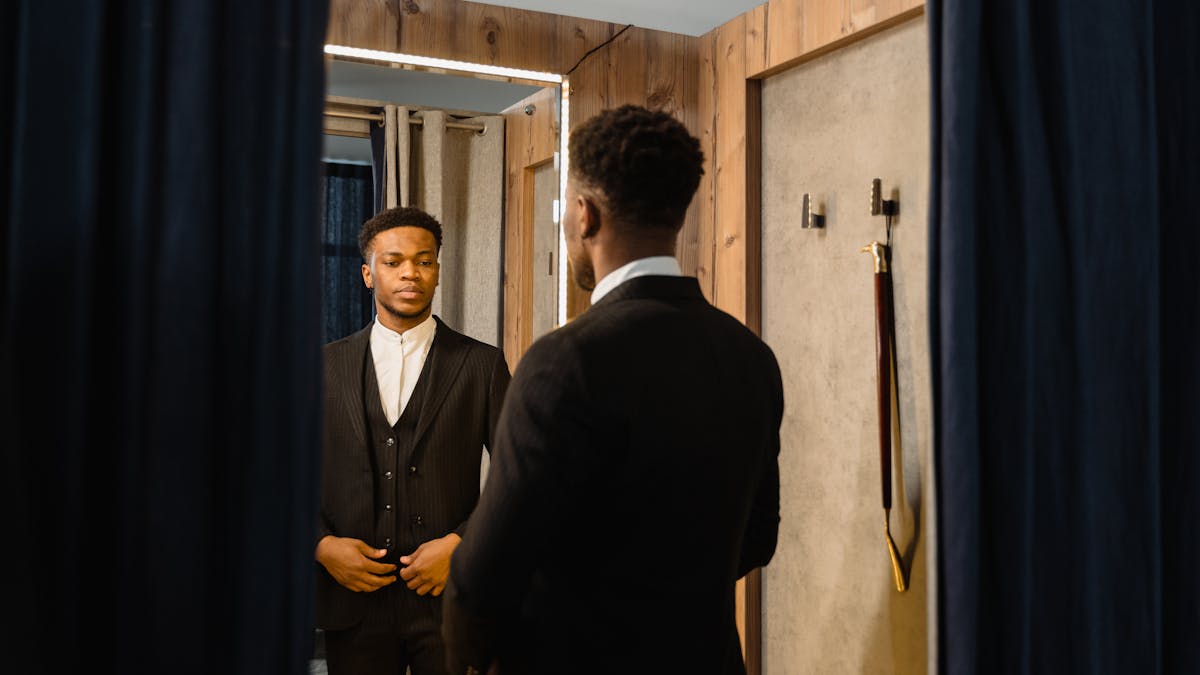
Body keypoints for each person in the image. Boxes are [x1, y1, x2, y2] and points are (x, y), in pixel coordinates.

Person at [441, 105, 784, 675]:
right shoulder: (751, 356)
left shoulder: (565, 360)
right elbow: (759, 537)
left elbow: (480, 581)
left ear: (584, 215)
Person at [315, 206, 511, 675]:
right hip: (353, 603)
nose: (410, 273)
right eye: (393, 261)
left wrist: (464, 544)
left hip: (448, 600)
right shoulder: (322, 366)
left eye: (424, 261)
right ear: (368, 273)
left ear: (437, 272)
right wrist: (320, 545)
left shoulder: (482, 365)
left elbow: (520, 477)